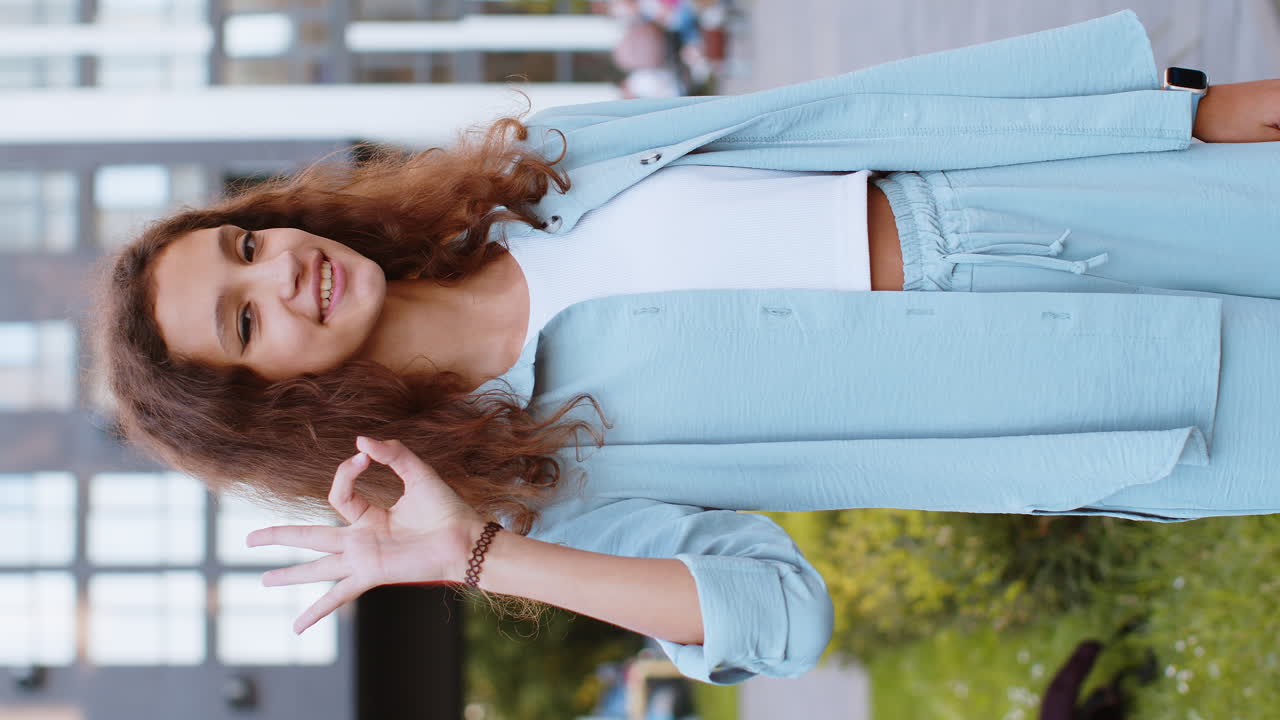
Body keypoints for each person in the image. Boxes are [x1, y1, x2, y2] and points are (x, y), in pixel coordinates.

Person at [93, 11, 1280, 685]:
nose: (278, 273)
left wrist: (1181, 112)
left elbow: (870, 108)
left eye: (244, 243)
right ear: (267, 403)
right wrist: (478, 558)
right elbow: (776, 619)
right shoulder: (514, 481)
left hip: (1084, 194)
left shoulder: (529, 171)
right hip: (1084, 392)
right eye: (245, 322)